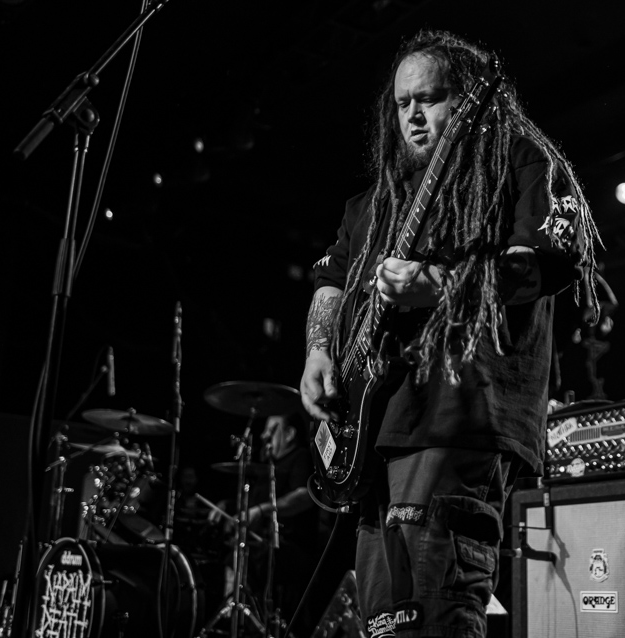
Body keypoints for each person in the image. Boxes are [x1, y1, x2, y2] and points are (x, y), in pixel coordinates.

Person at [299, 29, 599, 638]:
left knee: (435, 612)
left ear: (468, 103)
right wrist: (318, 352)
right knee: (386, 623)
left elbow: (541, 265)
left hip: (458, 416)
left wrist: (437, 284)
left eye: (430, 98)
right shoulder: (372, 204)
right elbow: (330, 281)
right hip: (376, 433)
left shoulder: (519, 160)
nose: (412, 114)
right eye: (402, 102)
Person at [206, 411, 320, 634]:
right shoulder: (266, 467)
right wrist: (226, 506)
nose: (264, 436)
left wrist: (262, 510)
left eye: (271, 430)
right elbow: (250, 504)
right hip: (261, 544)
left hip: (290, 547)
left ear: (289, 434)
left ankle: (247, 622)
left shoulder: (300, 457)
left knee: (247, 558)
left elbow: (305, 496)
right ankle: (238, 619)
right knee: (231, 553)